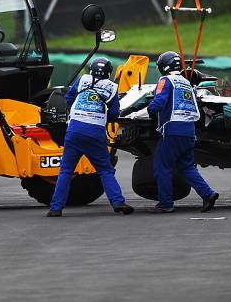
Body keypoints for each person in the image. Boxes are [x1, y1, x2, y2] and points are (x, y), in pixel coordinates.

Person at [47, 58, 134, 217]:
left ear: (91, 70)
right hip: (94, 134)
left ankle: (55, 208)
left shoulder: (83, 80)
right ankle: (118, 202)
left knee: (66, 170)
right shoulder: (112, 87)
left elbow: (69, 98)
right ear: (108, 73)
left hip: (74, 132)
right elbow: (115, 113)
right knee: (105, 170)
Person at [146, 51, 219, 214]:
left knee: (161, 165)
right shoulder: (187, 84)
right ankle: (208, 194)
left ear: (163, 67)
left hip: (172, 130)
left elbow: (159, 101)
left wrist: (149, 109)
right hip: (189, 131)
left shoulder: (165, 80)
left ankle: (165, 203)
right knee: (187, 167)